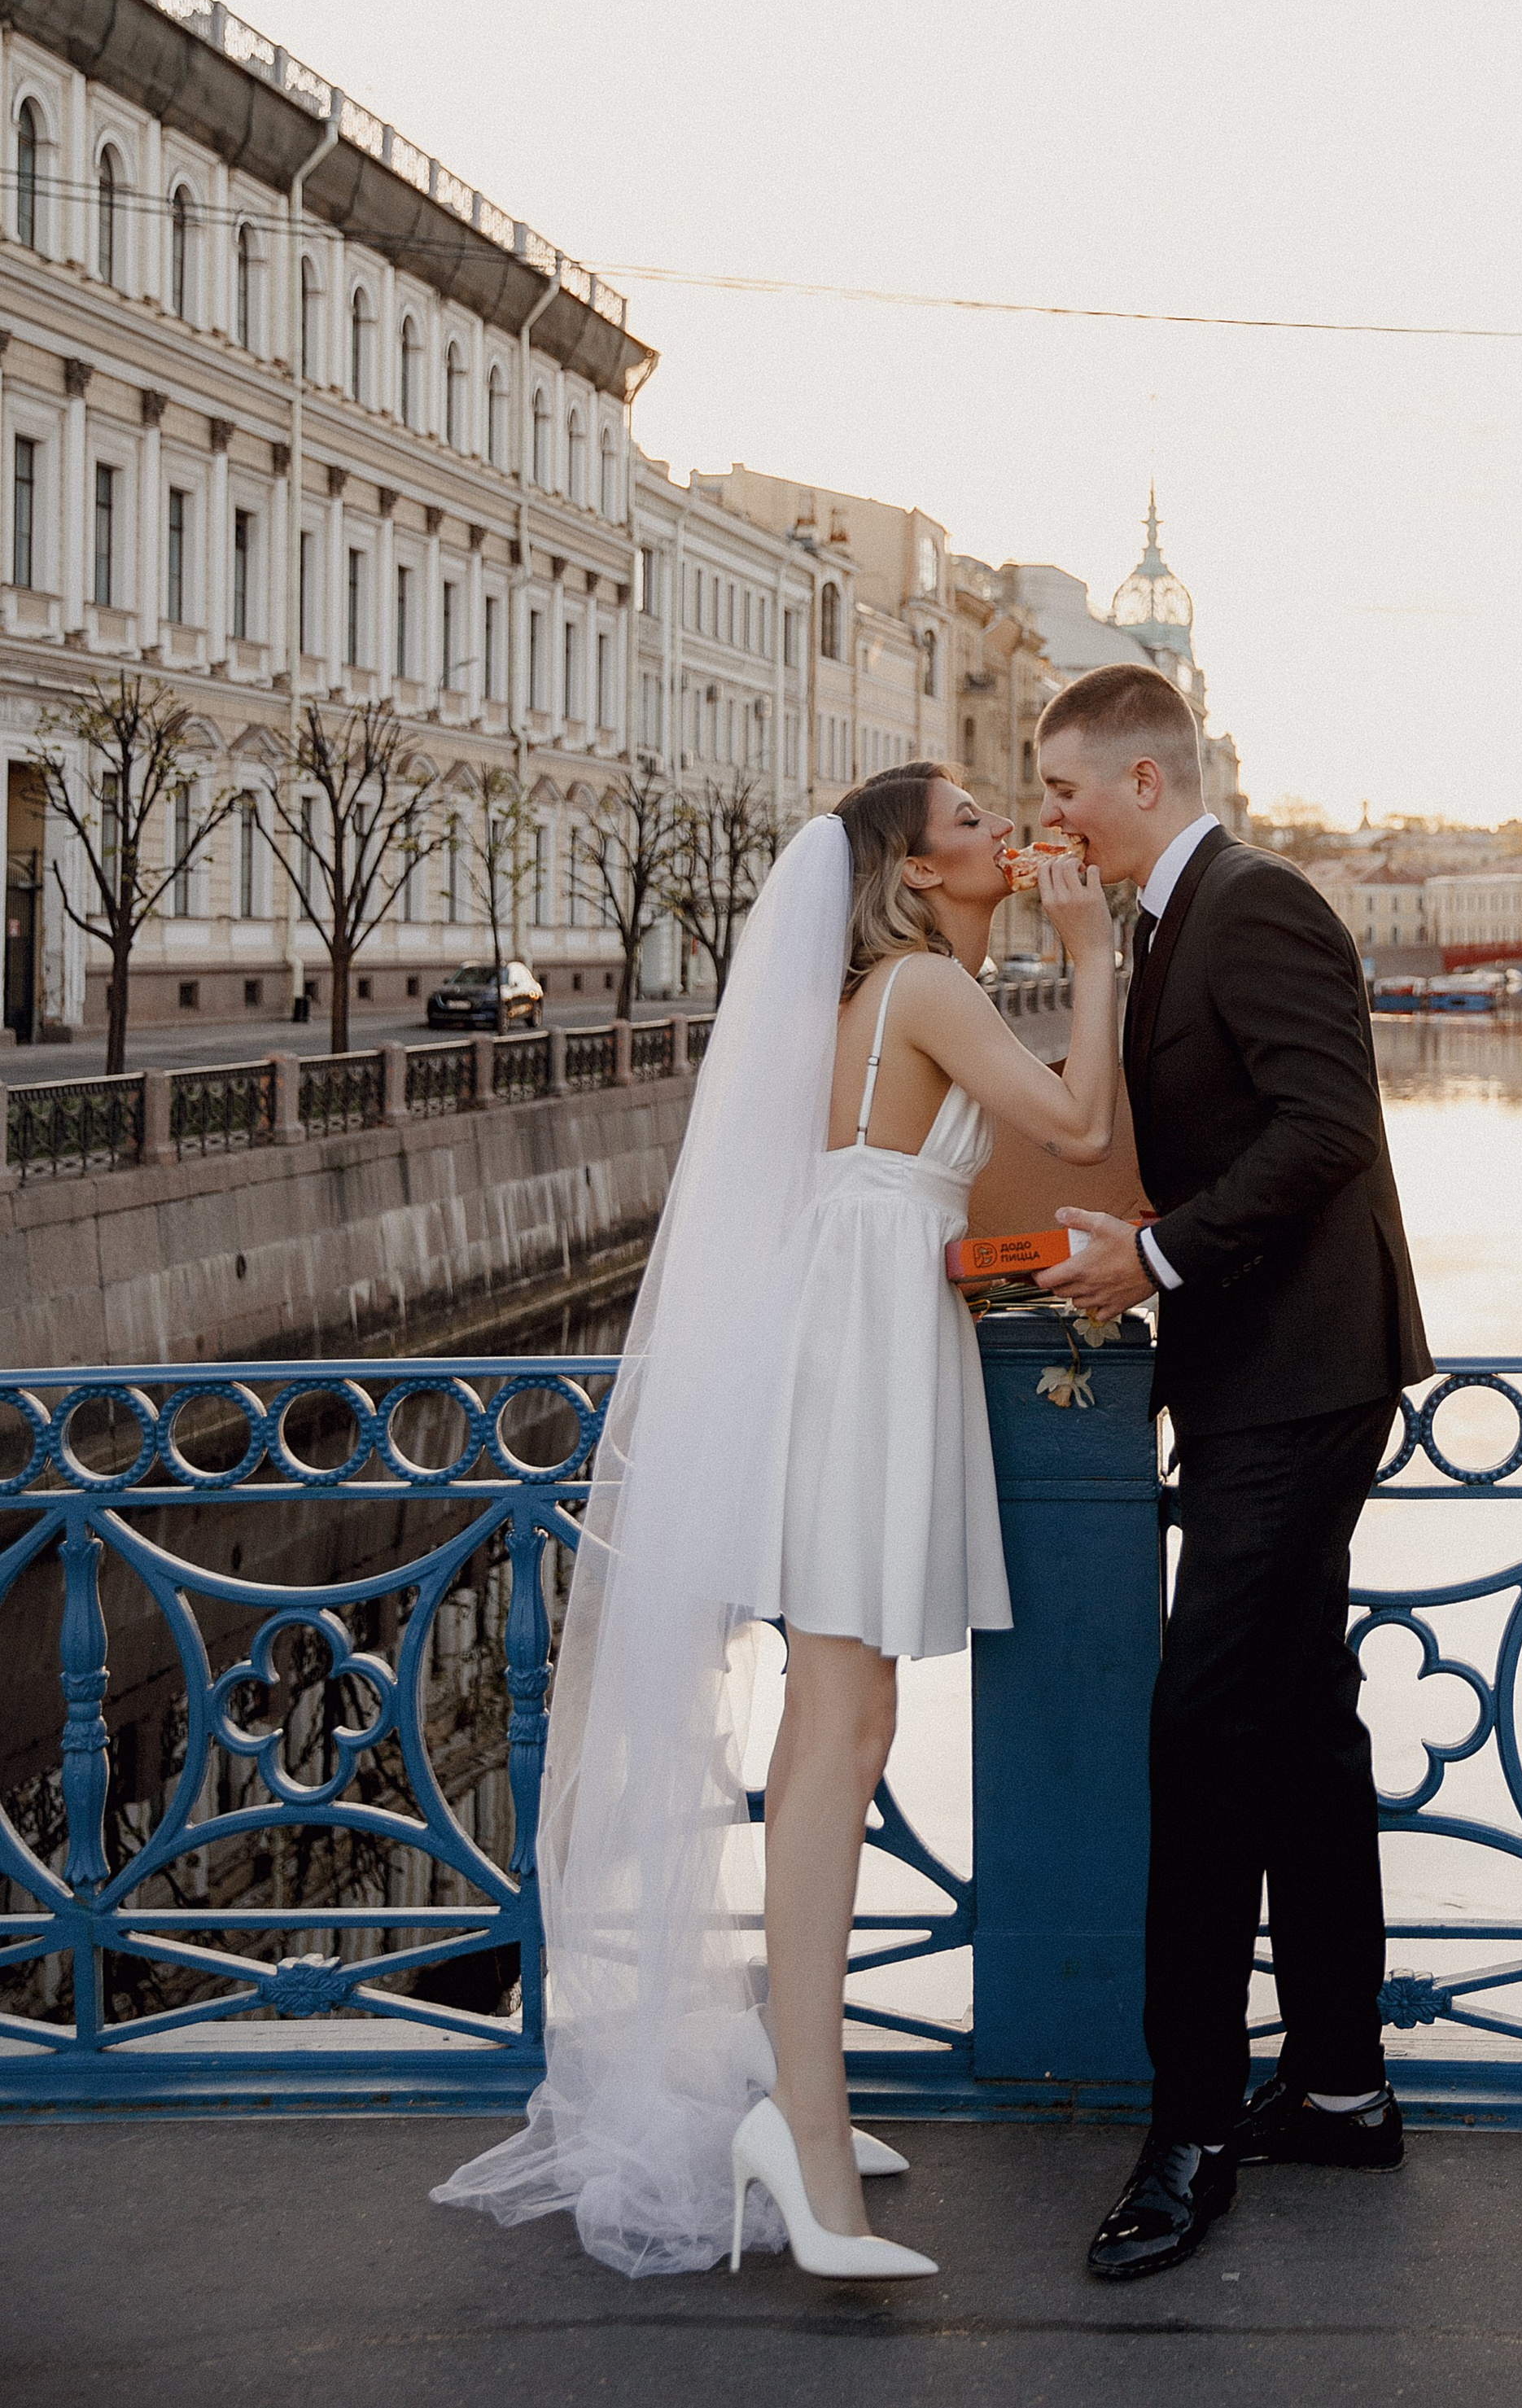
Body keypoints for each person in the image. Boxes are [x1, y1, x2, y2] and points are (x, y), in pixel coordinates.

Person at [434, 764, 1122, 2282]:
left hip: (856, 1334)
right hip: (862, 1355)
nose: (1002, 829)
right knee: (842, 1733)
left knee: (840, 1727)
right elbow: (1073, 1120)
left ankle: (785, 2076)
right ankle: (802, 2133)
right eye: (970, 821)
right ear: (915, 871)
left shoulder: (872, 996)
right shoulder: (931, 984)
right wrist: (1092, 953)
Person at [1037, 661, 1432, 2283]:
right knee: (1294, 1726)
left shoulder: (1254, 902)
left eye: (1062, 787)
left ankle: (1187, 2128)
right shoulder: (1152, 921)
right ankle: (1338, 2085)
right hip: (1264, 1377)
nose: (1049, 814)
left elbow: (1326, 1124)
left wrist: (1156, 1259)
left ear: (1141, 778)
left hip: (1295, 1379)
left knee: (1199, 1739)